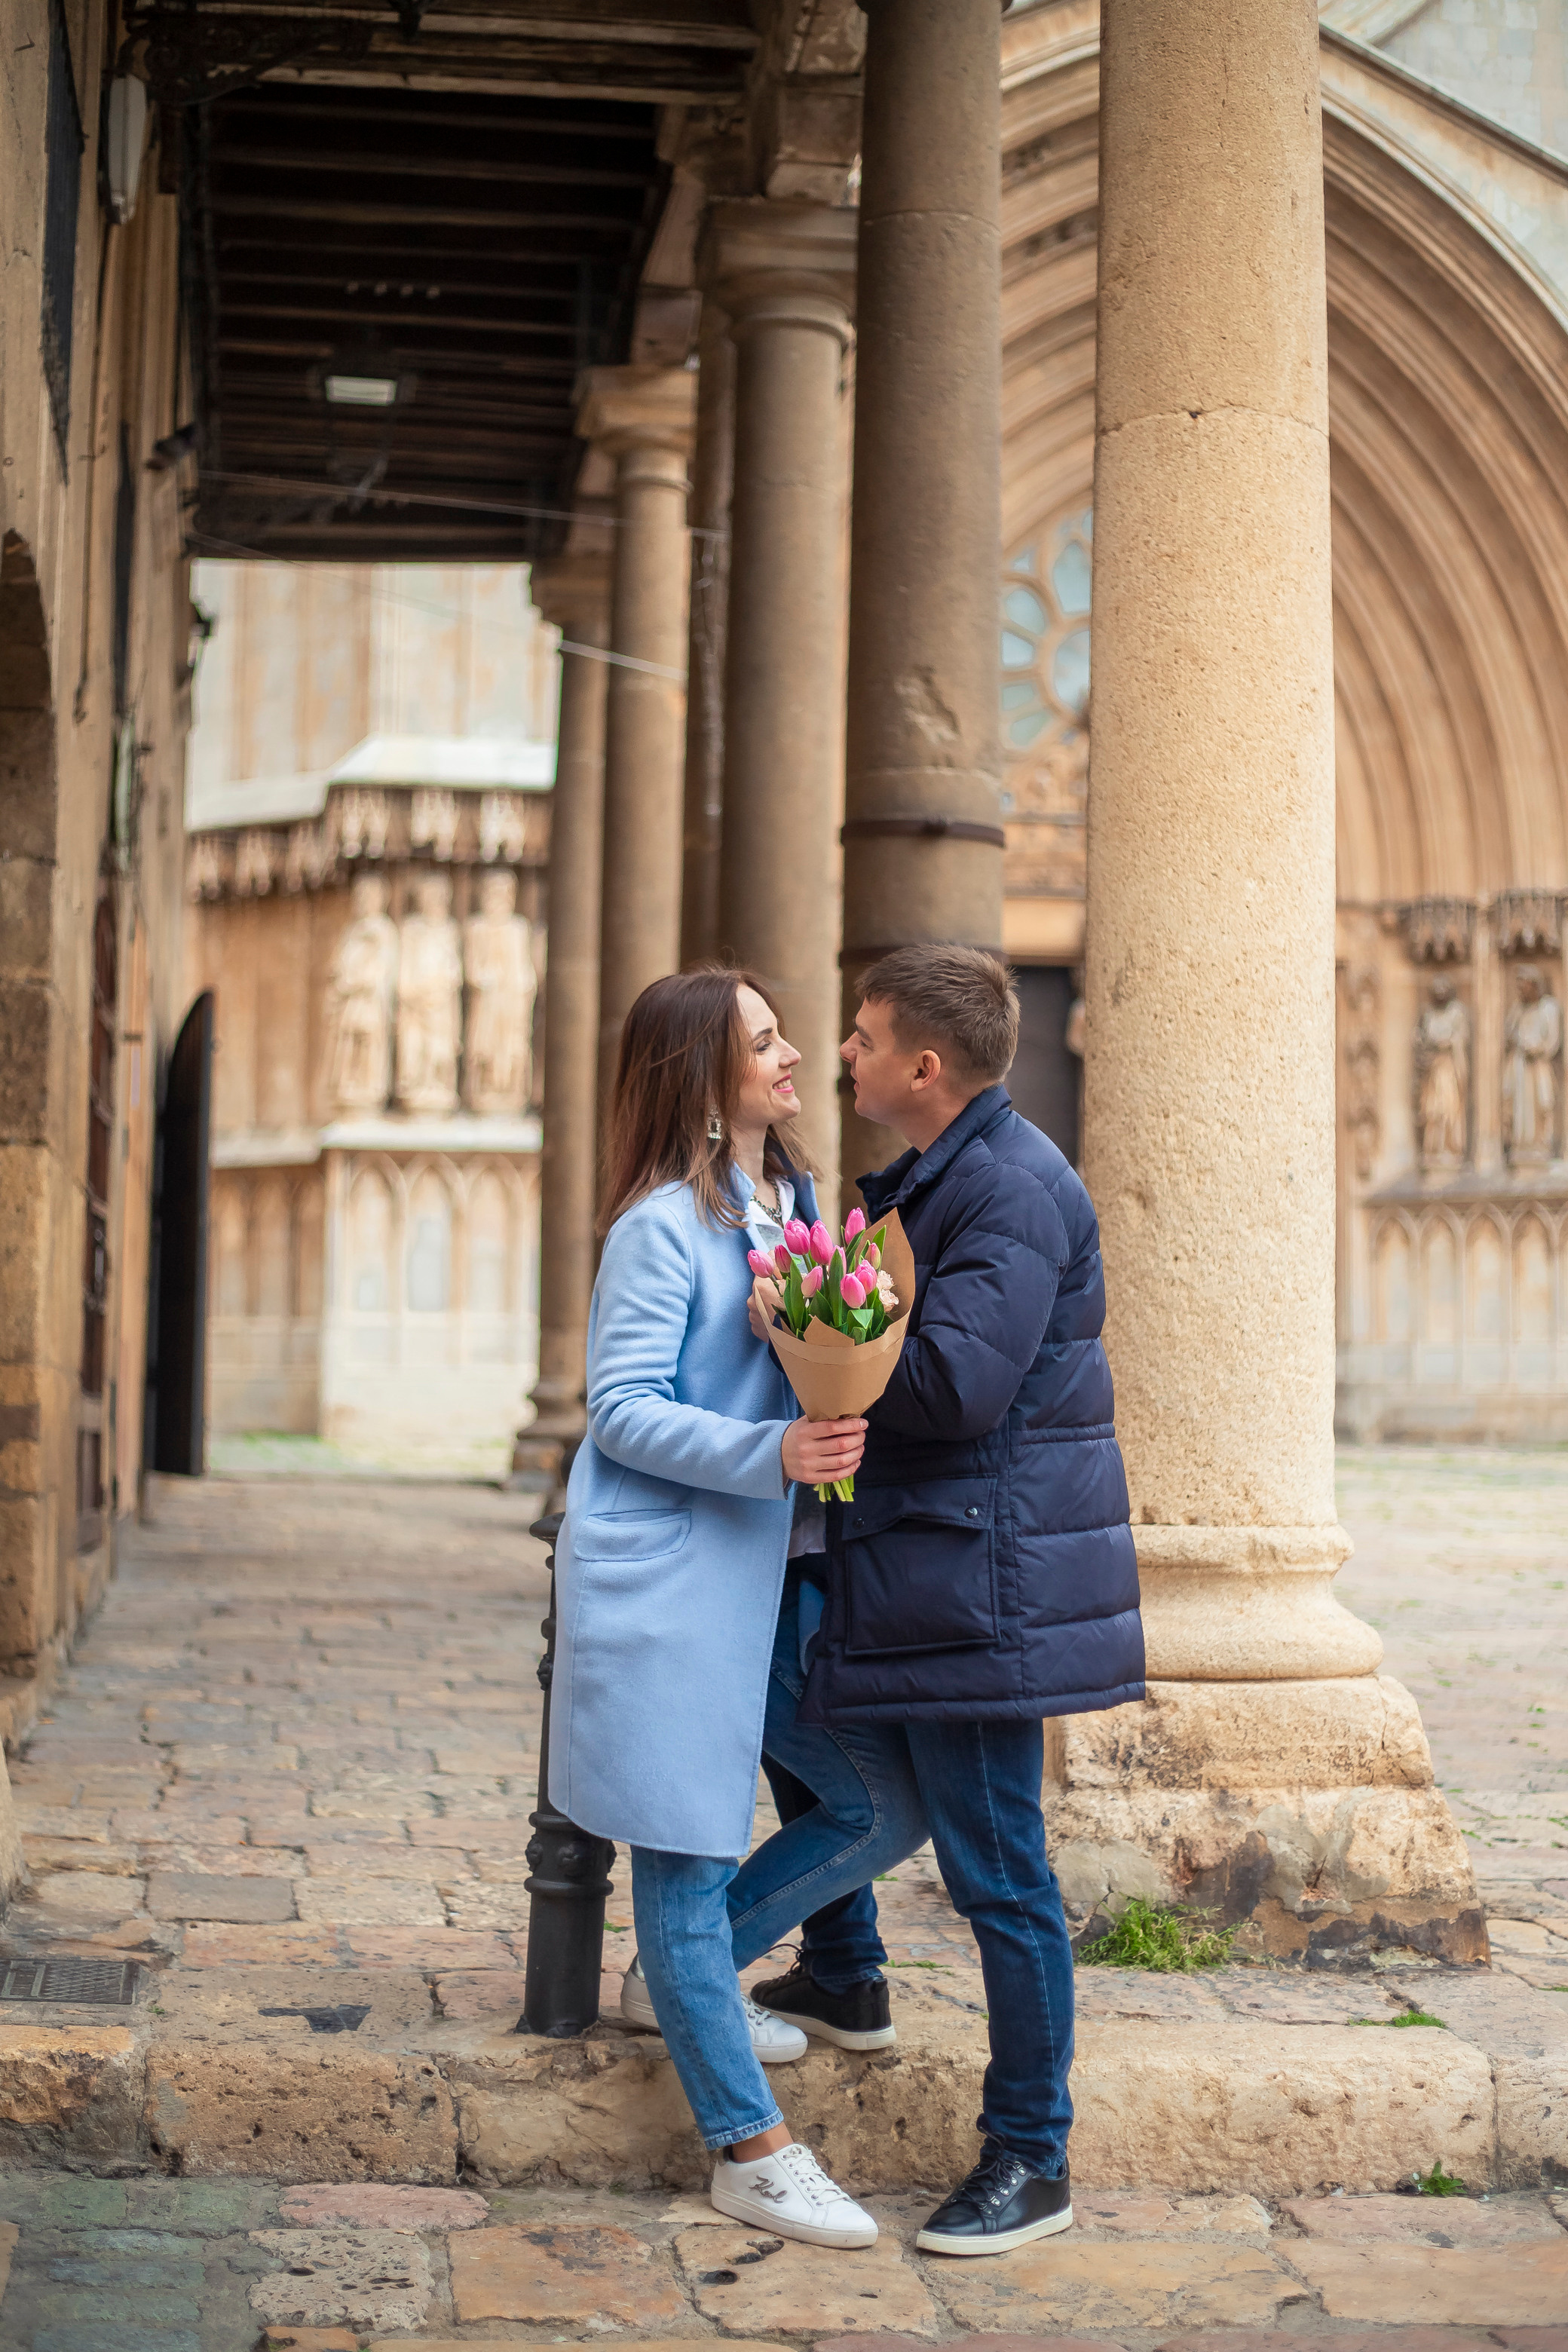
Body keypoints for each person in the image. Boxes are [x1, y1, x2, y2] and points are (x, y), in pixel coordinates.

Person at [753, 944, 1144, 2256]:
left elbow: (955, 1391)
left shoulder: (1013, 1191)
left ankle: (1033, 2158)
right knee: (817, 1738)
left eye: (862, 1038)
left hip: (988, 1583)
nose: (844, 1054)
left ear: (925, 1066)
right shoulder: (942, 1174)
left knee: (1002, 1877)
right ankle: (845, 1972)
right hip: (932, 1558)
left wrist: (806, 1356)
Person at [548, 967, 890, 2248]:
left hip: (777, 1576)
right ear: (701, 1074)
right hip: (680, 1579)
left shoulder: (791, 1201)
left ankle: (687, 1983)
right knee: (686, 1855)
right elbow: (621, 1409)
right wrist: (772, 1455)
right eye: (764, 1041)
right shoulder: (654, 1229)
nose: (794, 1053)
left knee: (871, 1795)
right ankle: (750, 2149)